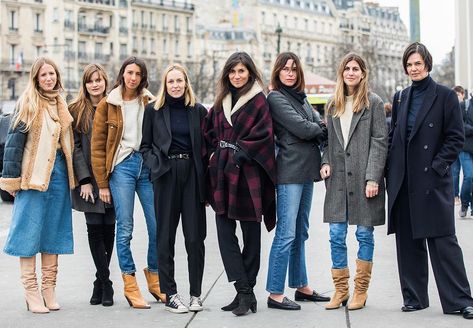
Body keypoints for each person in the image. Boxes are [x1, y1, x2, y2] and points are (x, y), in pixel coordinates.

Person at [386, 42, 473, 319]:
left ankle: (461, 299)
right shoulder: (400, 97)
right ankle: (414, 298)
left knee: (443, 241)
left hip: (432, 179)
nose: (413, 69)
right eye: (409, 65)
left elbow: (455, 137)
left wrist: (437, 167)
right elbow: (394, 137)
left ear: (427, 64)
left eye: (417, 64)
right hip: (403, 180)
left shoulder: (446, 96)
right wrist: (389, 171)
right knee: (408, 242)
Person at [203, 52, 276, 316]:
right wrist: (214, 154)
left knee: (251, 236)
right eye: (232, 72)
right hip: (222, 173)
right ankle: (243, 290)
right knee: (224, 234)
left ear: (250, 73)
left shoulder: (258, 101)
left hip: (248, 174)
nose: (236, 76)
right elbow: (208, 131)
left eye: (241, 71)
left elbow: (264, 134)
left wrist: (240, 153)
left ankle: (246, 292)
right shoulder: (221, 101)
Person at [0, 57, 75, 313]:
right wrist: (11, 181)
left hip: (59, 175)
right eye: (43, 75)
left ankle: (49, 290)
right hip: (33, 175)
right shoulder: (28, 103)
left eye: (51, 74)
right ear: (36, 78)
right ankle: (31, 293)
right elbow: (13, 145)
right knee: (29, 233)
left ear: (57, 76)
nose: (48, 78)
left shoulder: (62, 104)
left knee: (53, 233)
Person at [91, 56, 163, 309]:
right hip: (122, 167)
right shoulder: (108, 104)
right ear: (122, 74)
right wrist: (101, 184)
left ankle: (154, 278)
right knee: (125, 228)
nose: (133, 78)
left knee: (157, 225)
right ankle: (130, 285)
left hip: (146, 166)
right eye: (129, 73)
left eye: (138, 74)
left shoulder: (150, 102)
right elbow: (98, 146)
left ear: (143, 78)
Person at [320, 53, 388, 311]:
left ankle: (360, 290)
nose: (351, 72)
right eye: (347, 68)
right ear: (342, 72)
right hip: (337, 179)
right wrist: (325, 161)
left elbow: (380, 143)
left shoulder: (374, 103)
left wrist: (373, 178)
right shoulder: (332, 104)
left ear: (363, 73)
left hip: (363, 180)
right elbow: (326, 141)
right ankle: (340, 290)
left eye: (355, 68)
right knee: (336, 235)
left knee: (363, 234)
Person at [140, 64, 207, 313]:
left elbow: (206, 147)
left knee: (194, 237)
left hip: (192, 175)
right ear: (165, 85)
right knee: (165, 236)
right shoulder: (153, 111)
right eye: (171, 82)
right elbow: (145, 146)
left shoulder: (198, 111)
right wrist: (156, 165)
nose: (176, 85)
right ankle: (170, 294)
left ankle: (195, 294)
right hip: (165, 175)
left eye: (179, 81)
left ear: (186, 83)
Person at [265, 52, 329, 311]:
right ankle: (275, 292)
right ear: (277, 72)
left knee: (300, 232)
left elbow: (316, 122)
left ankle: (300, 284)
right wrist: (316, 130)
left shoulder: (301, 98)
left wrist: (316, 128)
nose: (290, 73)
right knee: (286, 233)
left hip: (306, 172)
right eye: (285, 69)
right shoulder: (276, 98)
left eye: (294, 69)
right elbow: (305, 128)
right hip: (289, 173)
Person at [69, 63, 115, 306]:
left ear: (105, 81)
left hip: (111, 178)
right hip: (88, 180)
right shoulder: (76, 110)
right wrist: (84, 180)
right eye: (90, 80)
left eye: (98, 80)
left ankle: (100, 282)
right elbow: (74, 147)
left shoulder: (115, 106)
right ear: (85, 84)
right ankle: (106, 283)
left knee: (109, 229)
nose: (95, 84)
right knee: (94, 228)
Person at [454, 85, 472, 216]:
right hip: (465, 147)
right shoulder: (464, 105)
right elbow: (458, 125)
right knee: (469, 176)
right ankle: (464, 204)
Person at [452, 86, 466, 206]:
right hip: (454, 146)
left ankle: (462, 196)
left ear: (463, 94)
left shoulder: (465, 107)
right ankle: (455, 195)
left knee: (467, 173)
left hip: (465, 146)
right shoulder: (451, 107)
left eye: (458, 95)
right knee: (455, 171)